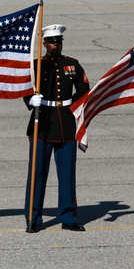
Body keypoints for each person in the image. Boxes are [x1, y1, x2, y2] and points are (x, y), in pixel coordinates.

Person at [24, 24, 89, 233]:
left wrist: (75, 108)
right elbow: (24, 86)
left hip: (66, 125)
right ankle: (33, 218)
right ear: (44, 43)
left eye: (59, 41)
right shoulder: (36, 66)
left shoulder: (72, 64)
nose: (56, 44)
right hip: (42, 123)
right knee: (37, 175)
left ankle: (68, 217)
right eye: (52, 41)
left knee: (67, 175)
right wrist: (30, 100)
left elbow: (83, 88)